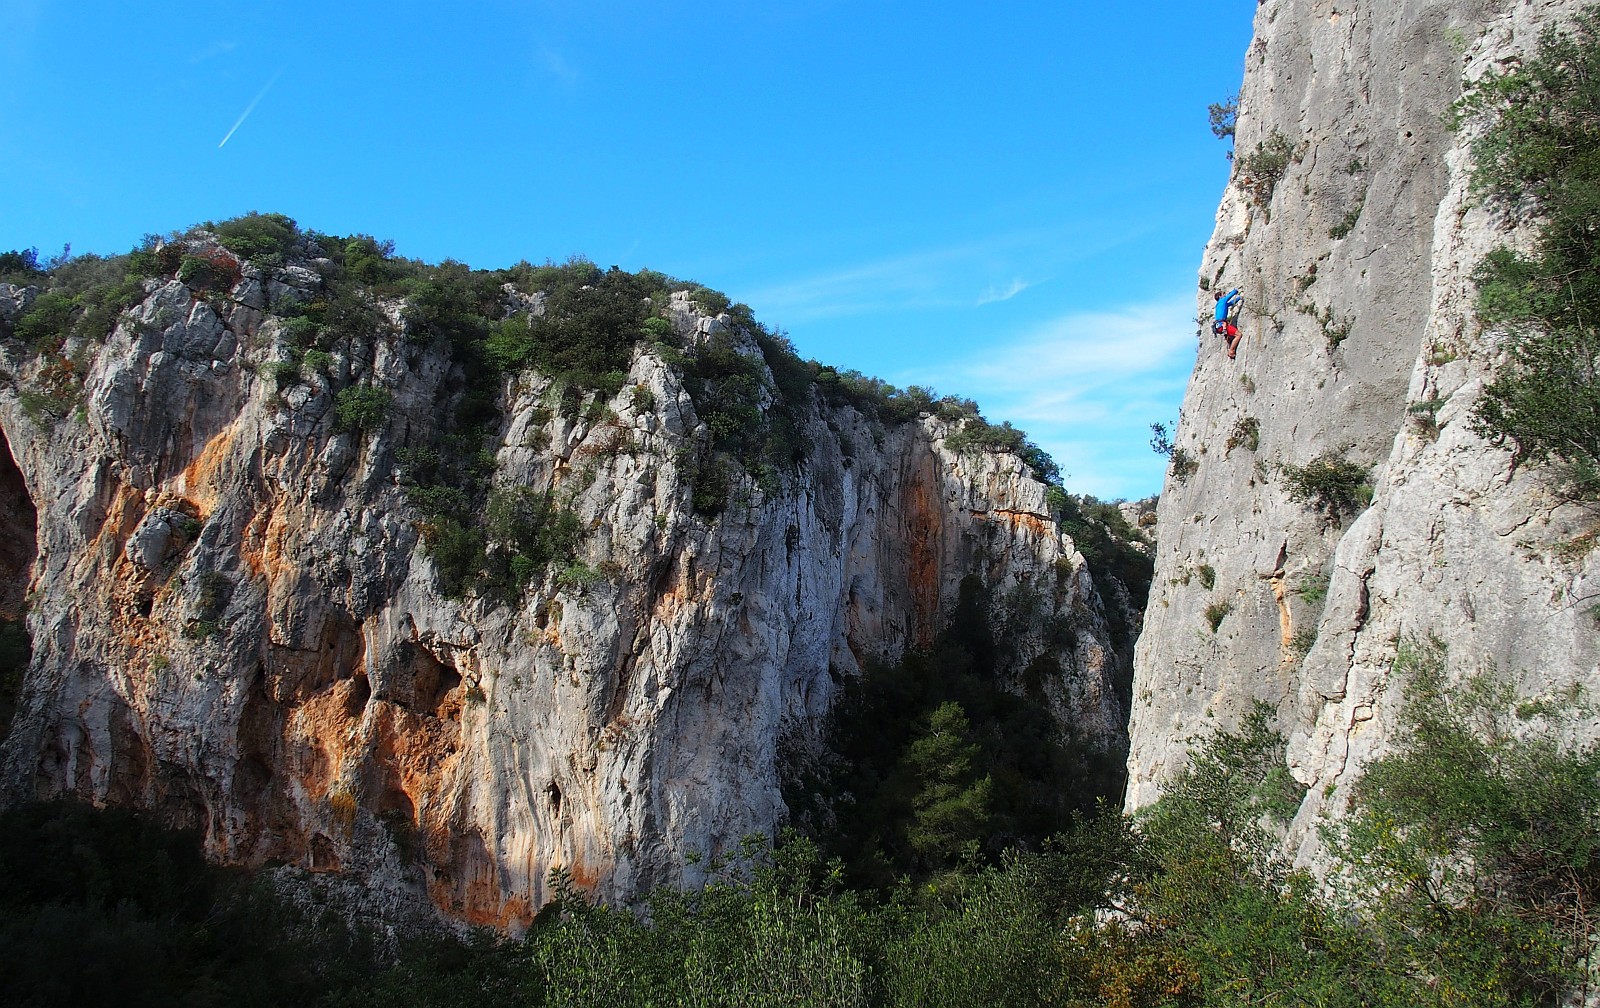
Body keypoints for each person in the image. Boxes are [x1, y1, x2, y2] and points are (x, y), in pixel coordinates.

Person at [1213, 288, 1243, 359]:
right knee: (1239, 335)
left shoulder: (1220, 304)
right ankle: (1231, 351)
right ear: (1220, 296)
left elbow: (1231, 302)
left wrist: (1239, 298)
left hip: (1219, 326)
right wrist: (1235, 291)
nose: (1224, 295)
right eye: (1223, 294)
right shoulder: (1222, 301)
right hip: (1222, 325)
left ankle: (1230, 345)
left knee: (1230, 338)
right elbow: (1229, 296)